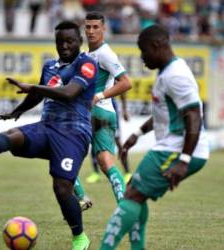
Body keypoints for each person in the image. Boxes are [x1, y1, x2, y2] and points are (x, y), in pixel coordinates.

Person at [0, 21, 97, 250]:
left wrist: (33, 87)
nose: (64, 46)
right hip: (47, 126)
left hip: (74, 134)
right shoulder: (50, 66)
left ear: (79, 42)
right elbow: (40, 94)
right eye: (59, 42)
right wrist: (18, 111)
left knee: (62, 188)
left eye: (69, 41)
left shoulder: (87, 64)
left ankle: (80, 238)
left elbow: (68, 93)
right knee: (12, 136)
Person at [100, 24, 209, 250]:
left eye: (143, 51)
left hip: (176, 150)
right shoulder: (168, 73)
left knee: (131, 195)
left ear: (157, 46)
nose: (142, 58)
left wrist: (184, 160)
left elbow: (194, 116)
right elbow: (165, 114)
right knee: (136, 192)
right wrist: (137, 134)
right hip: (171, 147)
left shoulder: (176, 76)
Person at [74, 11, 132, 205]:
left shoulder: (105, 53)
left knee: (61, 152)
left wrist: (98, 96)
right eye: (88, 27)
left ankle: (81, 198)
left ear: (104, 29)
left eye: (95, 27)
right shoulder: (89, 54)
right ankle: (124, 206)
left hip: (95, 111)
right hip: (104, 114)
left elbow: (126, 82)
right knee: (107, 163)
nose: (91, 31)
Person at [86, 94, 131, 184]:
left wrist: (125, 109)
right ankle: (96, 173)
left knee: (117, 140)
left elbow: (123, 86)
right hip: (93, 106)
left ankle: (127, 172)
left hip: (109, 106)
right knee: (94, 139)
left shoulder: (112, 79)